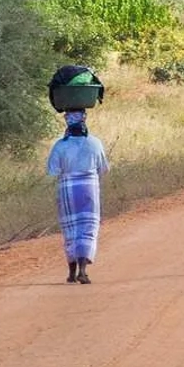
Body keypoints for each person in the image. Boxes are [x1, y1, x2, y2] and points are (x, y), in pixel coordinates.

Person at [46, 110, 110, 284]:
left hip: (67, 189)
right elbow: (103, 168)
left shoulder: (60, 145)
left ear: (68, 123)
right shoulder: (95, 143)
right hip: (89, 188)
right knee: (88, 227)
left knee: (70, 229)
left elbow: (53, 170)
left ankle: (72, 273)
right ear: (84, 121)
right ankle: (83, 270)